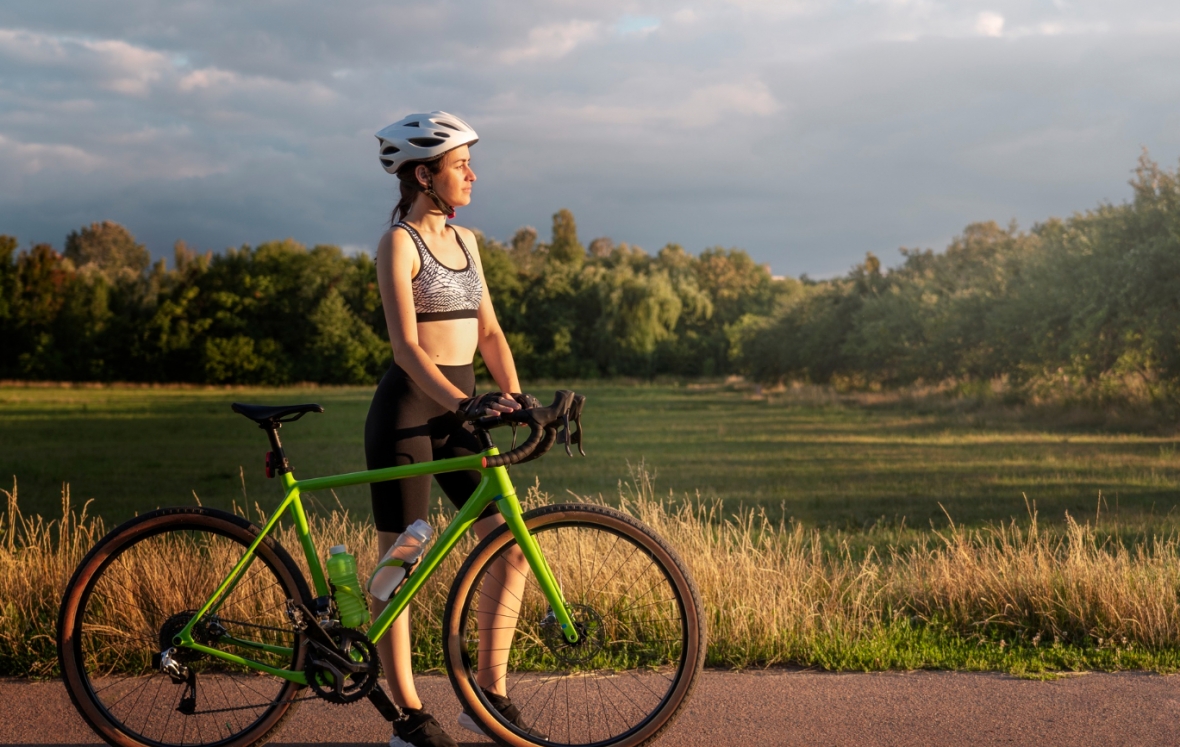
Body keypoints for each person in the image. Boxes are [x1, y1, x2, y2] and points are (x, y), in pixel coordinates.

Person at [366, 111, 537, 747]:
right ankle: (407, 718)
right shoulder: (400, 244)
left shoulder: (468, 244)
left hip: (460, 410)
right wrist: (460, 404)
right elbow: (407, 348)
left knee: (509, 548)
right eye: (459, 164)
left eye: (468, 162)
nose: (471, 174)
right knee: (399, 565)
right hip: (410, 411)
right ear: (423, 175)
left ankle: (485, 697)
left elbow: (489, 333)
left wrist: (515, 398)